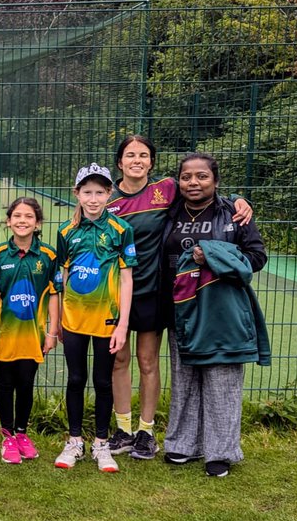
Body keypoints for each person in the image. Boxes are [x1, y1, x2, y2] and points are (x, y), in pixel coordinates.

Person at [105, 135, 252, 461]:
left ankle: (146, 431)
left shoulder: (166, 190)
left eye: (143, 155)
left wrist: (238, 199)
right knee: (119, 360)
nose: (137, 160)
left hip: (154, 291)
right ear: (120, 162)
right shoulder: (108, 200)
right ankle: (122, 428)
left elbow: (204, 191)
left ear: (152, 163)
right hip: (115, 292)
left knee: (147, 361)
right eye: (130, 155)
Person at [161, 153, 269, 477]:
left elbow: (256, 257)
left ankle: (220, 453)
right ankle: (182, 445)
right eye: (187, 177)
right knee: (184, 378)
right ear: (178, 181)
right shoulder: (170, 211)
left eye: (202, 176)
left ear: (216, 181)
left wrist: (210, 253)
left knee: (222, 380)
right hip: (181, 309)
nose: (194, 182)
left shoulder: (234, 214)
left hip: (221, 311)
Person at [53, 164, 135, 474]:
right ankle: (74, 441)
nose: (93, 198)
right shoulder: (66, 232)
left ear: (109, 193)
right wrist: (59, 318)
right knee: (76, 379)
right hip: (73, 320)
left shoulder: (121, 230)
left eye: (100, 192)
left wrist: (123, 324)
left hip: (107, 321)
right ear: (77, 194)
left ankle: (101, 444)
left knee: (103, 381)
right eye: (87, 192)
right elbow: (61, 278)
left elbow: (127, 280)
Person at [0, 197, 59, 464]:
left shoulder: (49, 256)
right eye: (17, 216)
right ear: (8, 221)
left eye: (29, 217)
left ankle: (21, 434)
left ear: (37, 223)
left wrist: (52, 332)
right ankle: (7, 438)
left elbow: (53, 294)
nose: (22, 221)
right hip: (4, 333)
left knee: (26, 384)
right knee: (5, 384)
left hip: (33, 334)